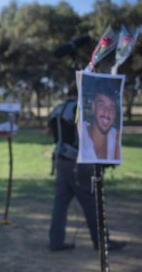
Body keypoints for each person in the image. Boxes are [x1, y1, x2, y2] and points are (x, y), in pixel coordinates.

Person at [47, 88, 125, 252]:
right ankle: (102, 242)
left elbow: (49, 132)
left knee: (60, 204)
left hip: (61, 159)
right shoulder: (79, 108)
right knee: (91, 203)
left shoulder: (57, 109)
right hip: (78, 161)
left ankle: (56, 240)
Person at [79, 91, 121, 162]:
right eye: (102, 105)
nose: (107, 112)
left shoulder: (116, 137)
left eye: (111, 107)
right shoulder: (81, 131)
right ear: (93, 106)